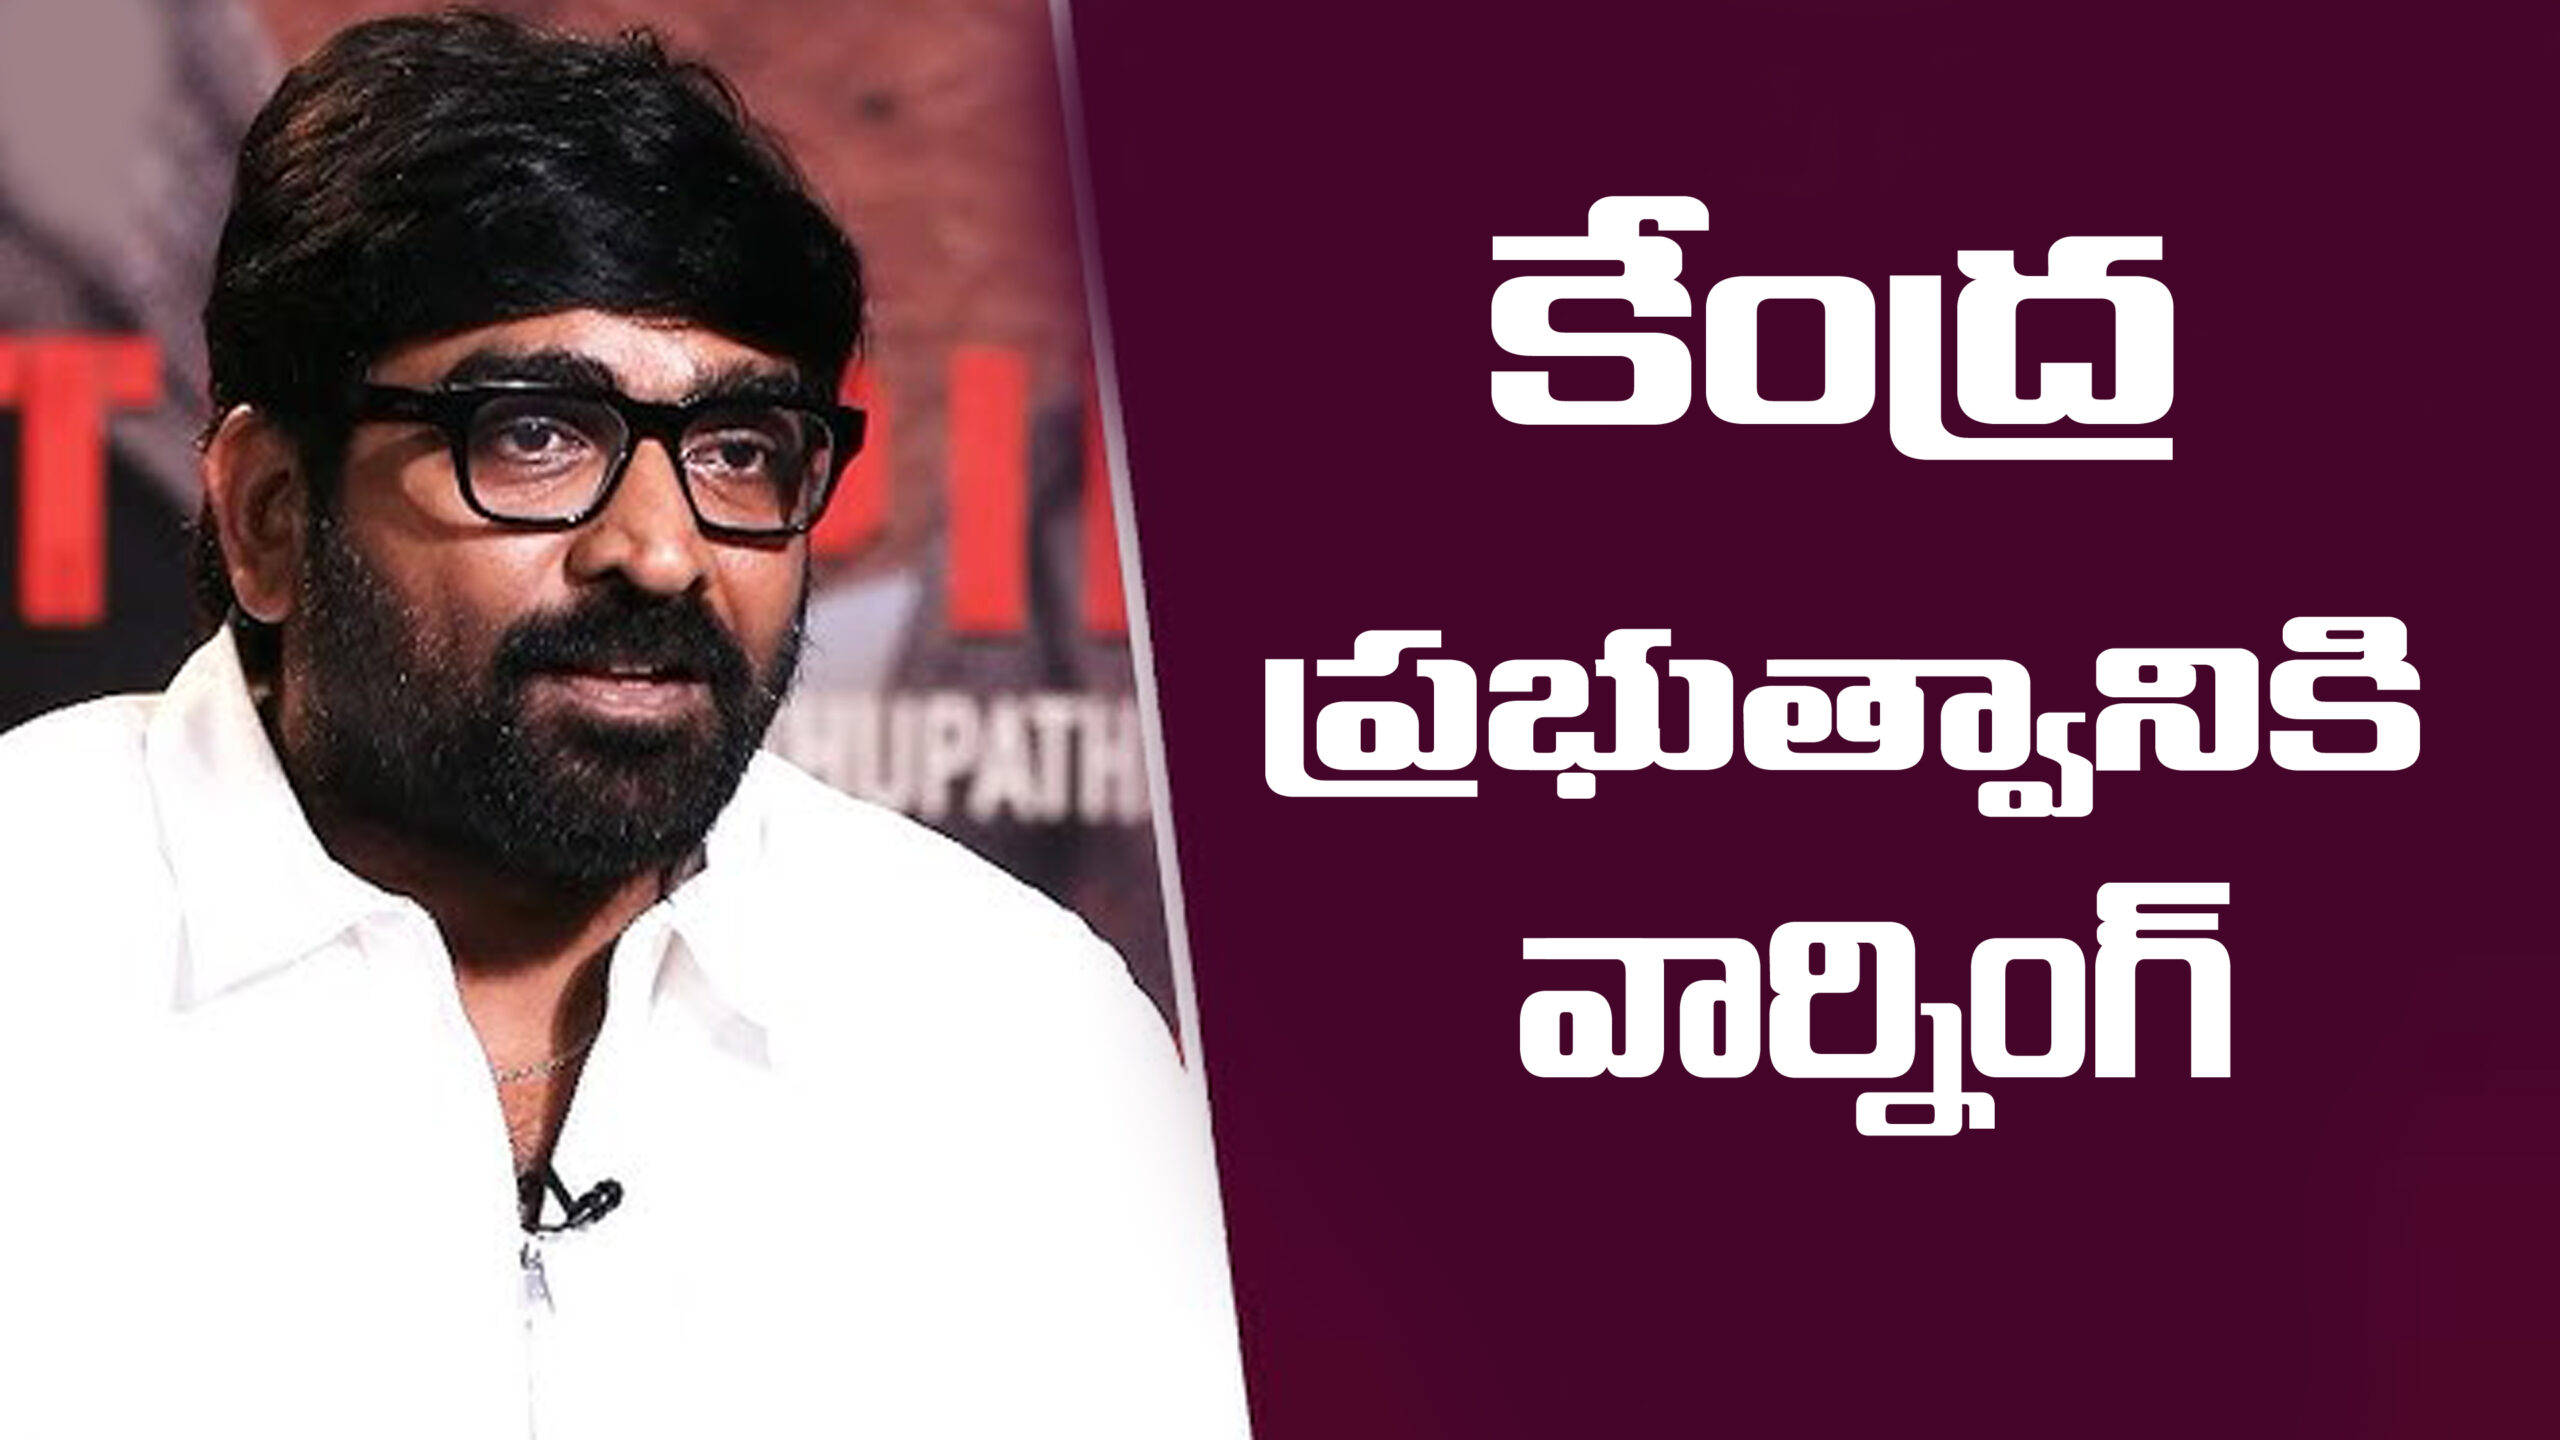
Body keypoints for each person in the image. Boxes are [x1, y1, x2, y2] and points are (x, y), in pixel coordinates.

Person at [0, 13, 1248, 1439]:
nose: (660, 551)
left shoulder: (1014, 1032)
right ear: (272, 514)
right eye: (535, 434)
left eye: (738, 451)